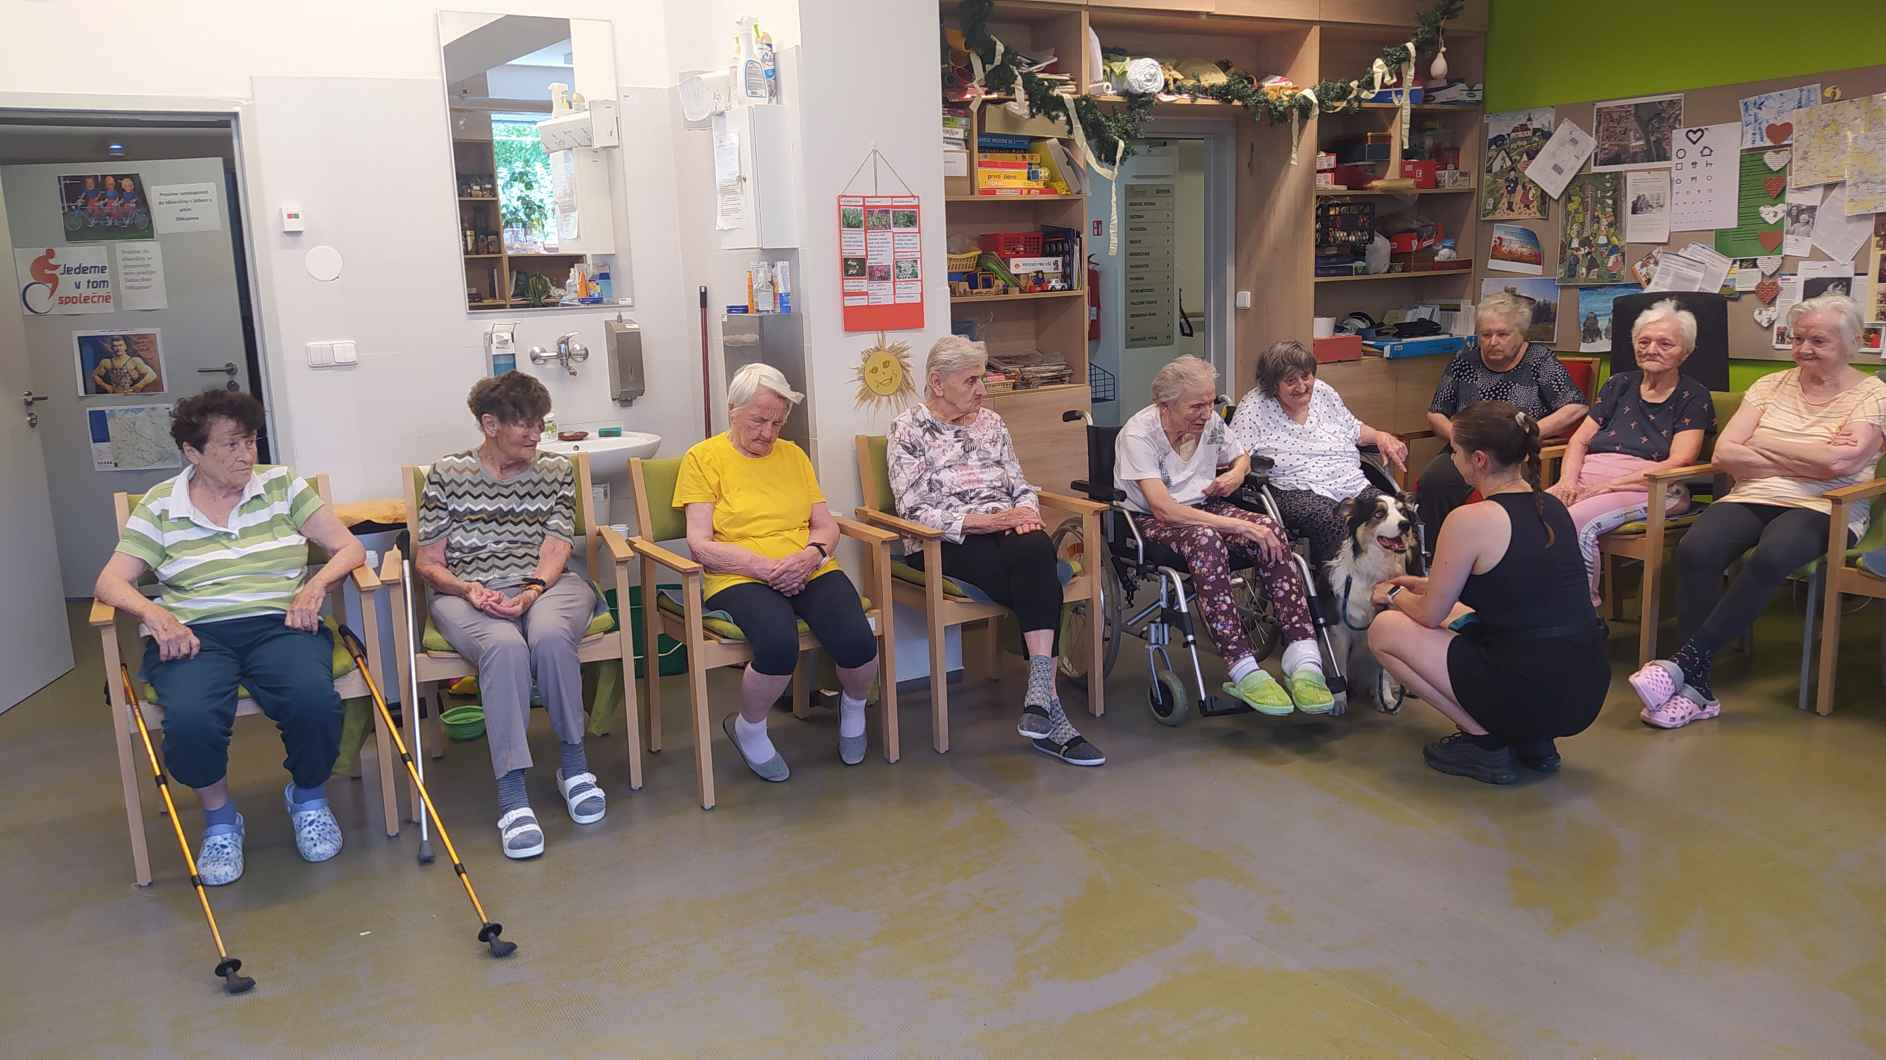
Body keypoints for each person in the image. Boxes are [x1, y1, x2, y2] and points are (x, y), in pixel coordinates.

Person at [93, 389, 360, 885]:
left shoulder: (281, 486)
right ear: (192, 452)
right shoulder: (161, 505)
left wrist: (316, 585)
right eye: (231, 445)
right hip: (194, 633)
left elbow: (348, 549)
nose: (246, 455)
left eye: (251, 441)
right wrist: (154, 614)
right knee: (191, 718)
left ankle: (308, 798)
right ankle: (219, 819)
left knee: (313, 701)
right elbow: (110, 582)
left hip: (279, 624)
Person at [1632, 294, 1886, 729]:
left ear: (1852, 342)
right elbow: (1726, 452)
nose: (1804, 349)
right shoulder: (1769, 385)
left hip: (1827, 504)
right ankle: (1699, 689)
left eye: (1818, 341)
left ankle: (1684, 667)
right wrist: (1810, 454)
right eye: (1798, 339)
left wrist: (1764, 442)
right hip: (1754, 493)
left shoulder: (1873, 394)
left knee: (1773, 555)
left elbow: (1838, 464)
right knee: (1695, 549)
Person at [887, 336, 1103, 766]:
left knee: (1036, 547)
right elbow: (913, 509)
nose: (982, 390)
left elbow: (1019, 483)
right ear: (937, 382)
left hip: (1006, 531)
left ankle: (1039, 694)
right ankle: (1051, 712)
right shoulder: (906, 429)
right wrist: (993, 521)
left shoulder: (992, 423)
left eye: (981, 379)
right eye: (971, 381)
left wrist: (1026, 512)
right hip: (945, 542)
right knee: (1040, 572)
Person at [1367, 401, 1609, 785]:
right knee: (1464, 616)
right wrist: (1423, 585)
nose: (1453, 459)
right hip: (1584, 687)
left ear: (1478, 459)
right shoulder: (1552, 506)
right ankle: (1532, 741)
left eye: (1456, 451)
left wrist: (1392, 594)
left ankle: (1486, 742)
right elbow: (1515, 586)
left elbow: (1429, 614)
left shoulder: (1469, 518)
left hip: (1527, 684)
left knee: (1385, 630)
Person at [417, 372, 605, 860]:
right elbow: (428, 561)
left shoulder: (555, 470)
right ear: (490, 424)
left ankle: (574, 765)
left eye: (540, 423)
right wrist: (467, 589)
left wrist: (532, 590)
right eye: (525, 424)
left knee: (550, 635)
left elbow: (558, 544)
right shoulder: (447, 473)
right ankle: (513, 792)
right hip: (467, 590)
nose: (536, 434)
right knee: (503, 647)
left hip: (547, 583)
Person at [675, 363, 881, 781]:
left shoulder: (794, 456)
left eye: (777, 423)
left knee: (857, 639)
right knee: (777, 643)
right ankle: (749, 728)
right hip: (739, 575)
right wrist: (762, 567)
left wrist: (811, 555)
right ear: (732, 410)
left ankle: (854, 706)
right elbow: (699, 544)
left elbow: (826, 525)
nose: (768, 433)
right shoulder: (703, 458)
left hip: (804, 566)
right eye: (758, 421)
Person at [1115, 355, 1334, 715]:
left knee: (1270, 530)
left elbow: (1240, 456)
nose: (1207, 413)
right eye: (1196, 406)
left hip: (1206, 508)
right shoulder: (1139, 435)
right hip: (1152, 521)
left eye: (1210, 402)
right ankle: (1241, 665)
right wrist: (1238, 525)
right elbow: (1163, 508)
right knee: (1207, 540)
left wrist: (1236, 474)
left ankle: (1303, 656)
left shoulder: (1211, 424)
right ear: (1165, 406)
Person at [1547, 299, 1716, 605]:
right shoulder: (1618, 384)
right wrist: (1567, 482)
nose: (1652, 349)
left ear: (1686, 352)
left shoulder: (1693, 395)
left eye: (1665, 343)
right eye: (1644, 341)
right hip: (1589, 480)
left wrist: (1610, 486)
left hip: (1652, 487)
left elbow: (1682, 460)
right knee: (1530, 513)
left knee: (1574, 519)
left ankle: (1581, 613)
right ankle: (1535, 607)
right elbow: (1579, 441)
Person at [1228, 339, 1409, 578]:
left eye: (1306, 376)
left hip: (1349, 481)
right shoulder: (1254, 407)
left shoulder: (1323, 392)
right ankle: (1341, 592)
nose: (1302, 386)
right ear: (1272, 385)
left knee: (1395, 514)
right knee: (1334, 520)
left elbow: (1353, 428)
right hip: (1294, 488)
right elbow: (1236, 455)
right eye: (1290, 381)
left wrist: (1380, 436)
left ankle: (1398, 585)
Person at [1417, 292, 1589, 535]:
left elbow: (1576, 407)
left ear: (1520, 333)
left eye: (1502, 334)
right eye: (1486, 335)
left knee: (1500, 491)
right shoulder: (1465, 360)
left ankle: (1490, 549)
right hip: (1466, 449)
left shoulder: (1539, 360)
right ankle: (1436, 551)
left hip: (1514, 452)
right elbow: (1436, 413)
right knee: (1435, 480)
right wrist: (1457, 436)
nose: (1492, 341)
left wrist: (1527, 432)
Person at [90, 334, 160, 394]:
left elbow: (152, 375)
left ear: (125, 346)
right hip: (114, 395)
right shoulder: (106, 362)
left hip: (131, 396)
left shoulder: (134, 361)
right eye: (115, 346)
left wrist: (139, 386)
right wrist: (106, 386)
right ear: (111, 348)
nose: (118, 348)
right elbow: (94, 375)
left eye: (120, 345)